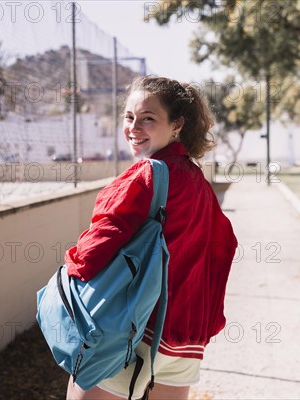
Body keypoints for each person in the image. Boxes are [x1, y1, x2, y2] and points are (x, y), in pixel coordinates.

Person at [64, 76, 238, 400]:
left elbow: (89, 256)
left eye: (148, 119)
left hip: (135, 332)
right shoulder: (199, 183)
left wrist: (68, 269)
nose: (133, 127)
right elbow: (224, 247)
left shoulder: (145, 175)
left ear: (177, 125)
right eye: (129, 117)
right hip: (185, 341)